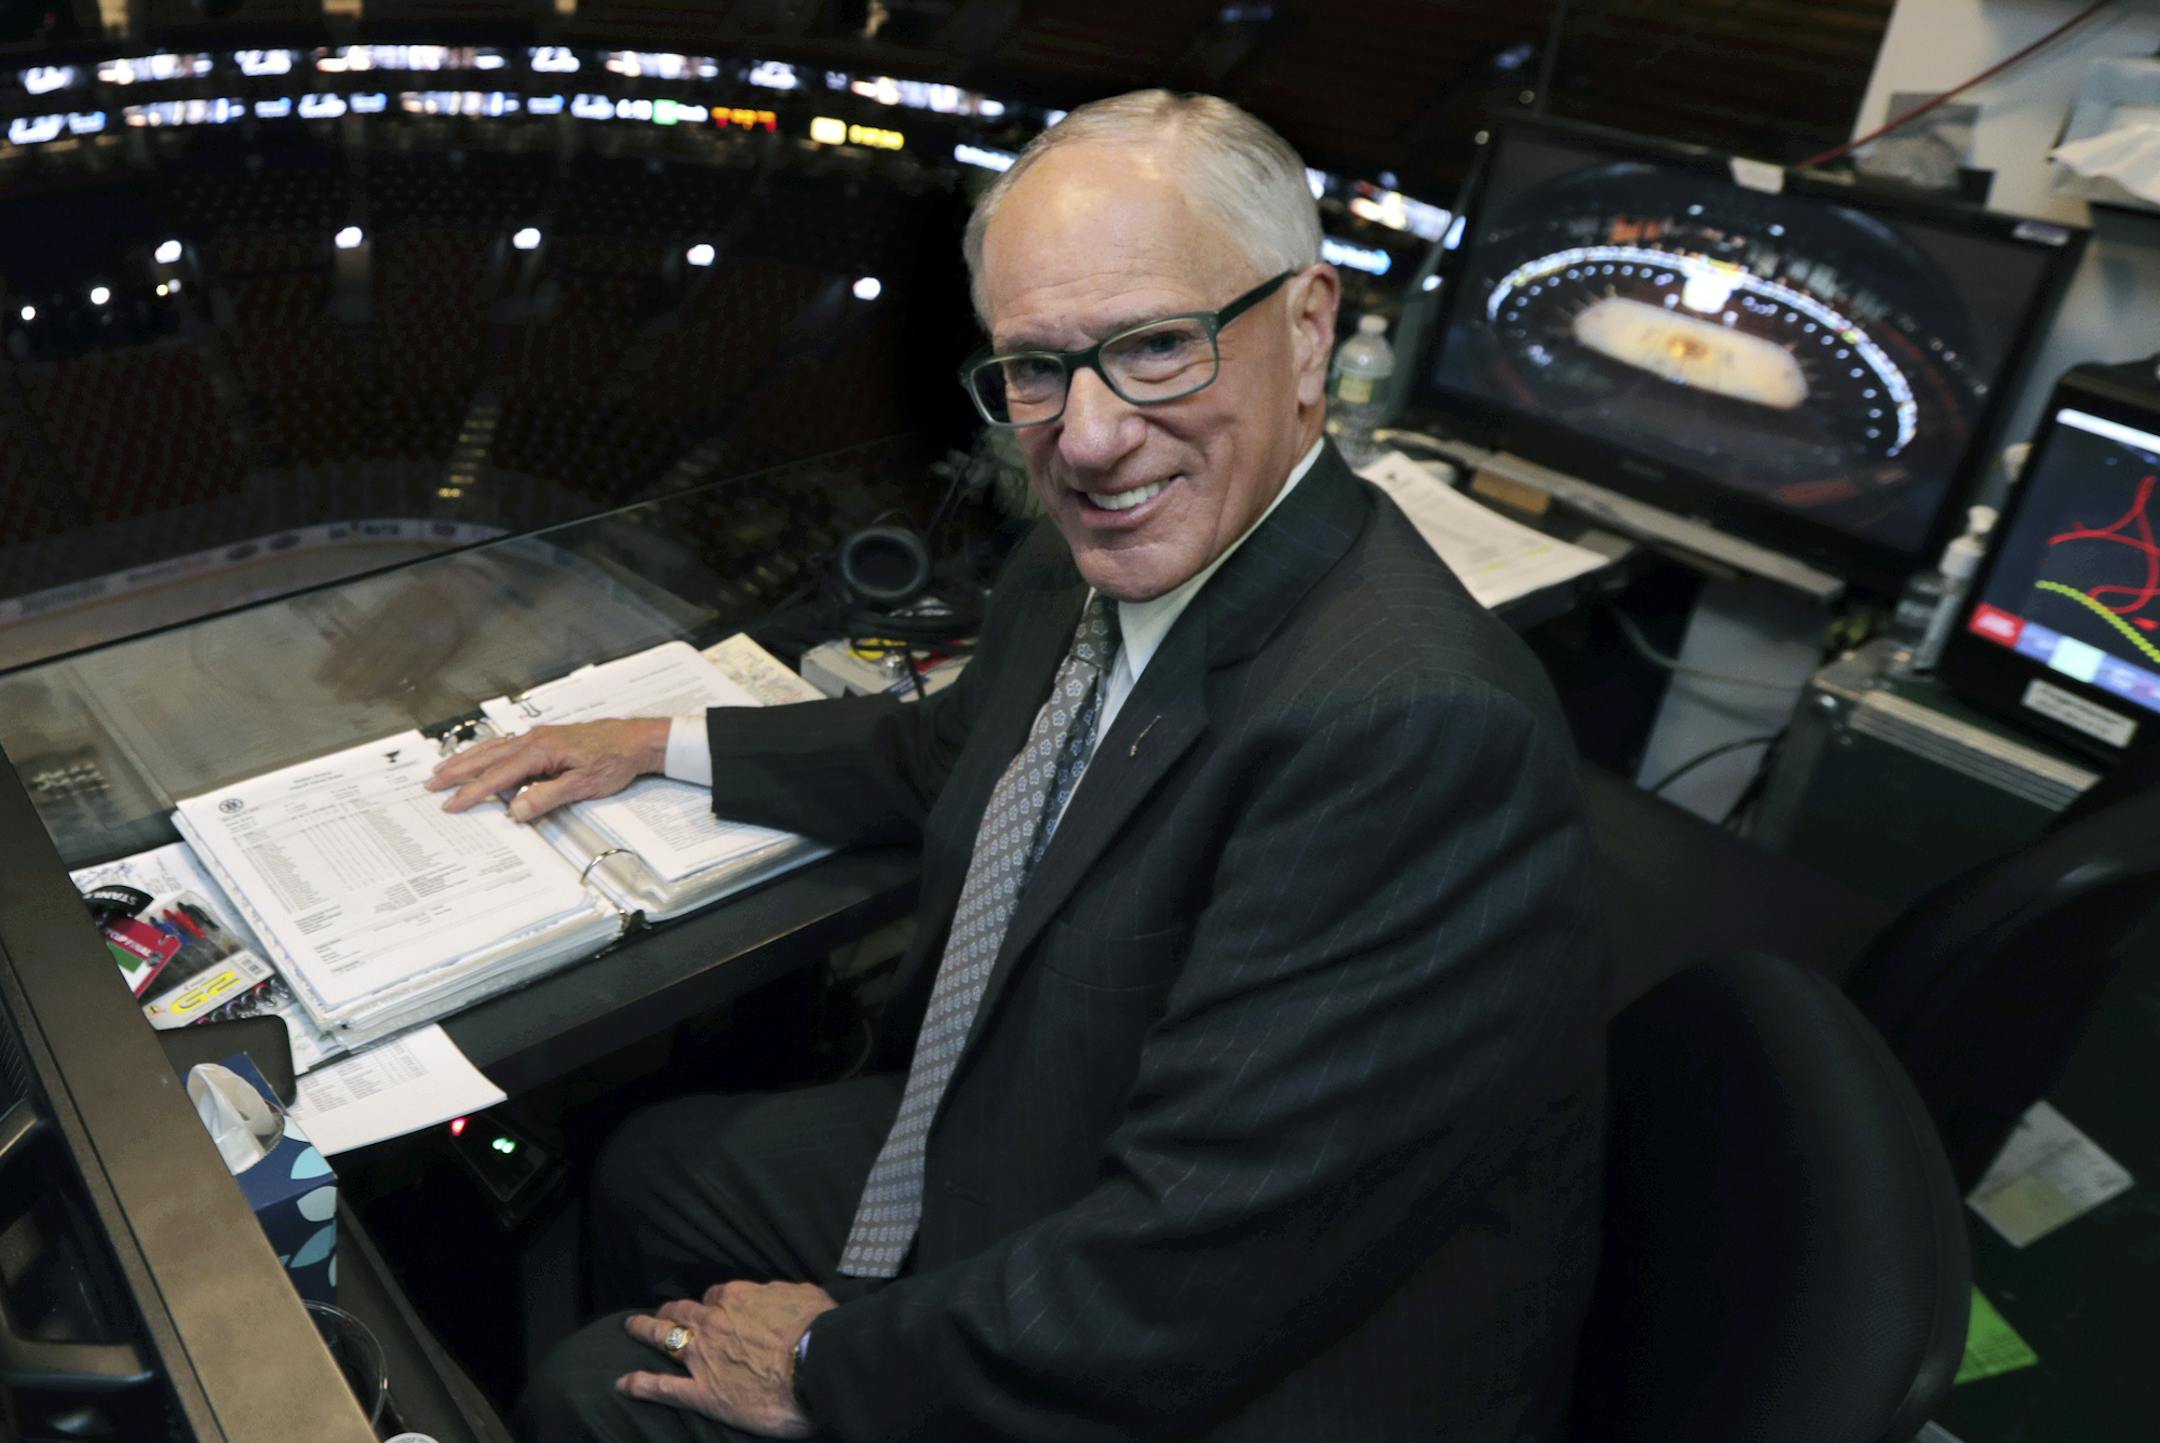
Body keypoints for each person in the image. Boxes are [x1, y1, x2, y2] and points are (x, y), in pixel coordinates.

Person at [429, 89, 1609, 1443]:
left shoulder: (1409, 732)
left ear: (1307, 330)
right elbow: (949, 752)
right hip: (1070, 1151)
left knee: (592, 1398)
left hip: (1234, 1349)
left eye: (1158, 347)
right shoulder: (1091, 562)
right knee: (654, 1174)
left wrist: (820, 1367)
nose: (1090, 438)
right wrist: (654, 743)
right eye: (1038, 369)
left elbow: (1190, 1273)